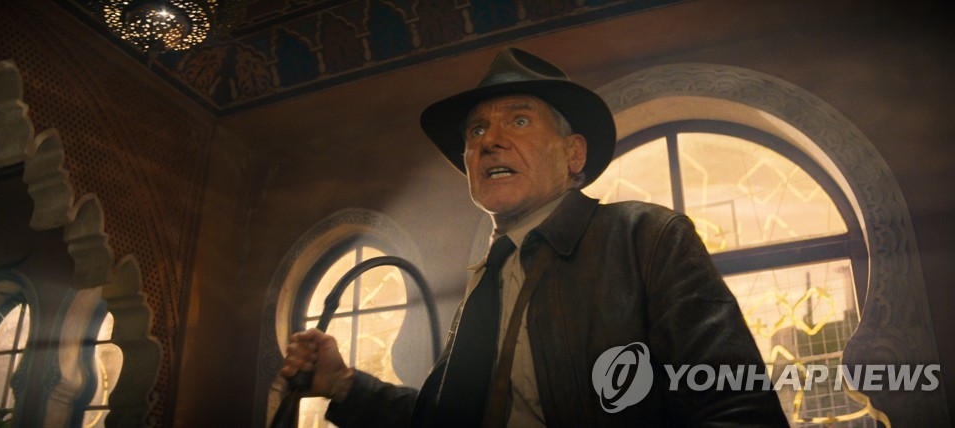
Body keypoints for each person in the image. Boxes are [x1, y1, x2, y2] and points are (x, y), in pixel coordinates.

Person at [280, 48, 788, 427]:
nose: (490, 141)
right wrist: (341, 384)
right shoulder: (487, 282)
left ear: (573, 154)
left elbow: (739, 407)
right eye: (476, 131)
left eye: (519, 120)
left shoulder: (646, 239)